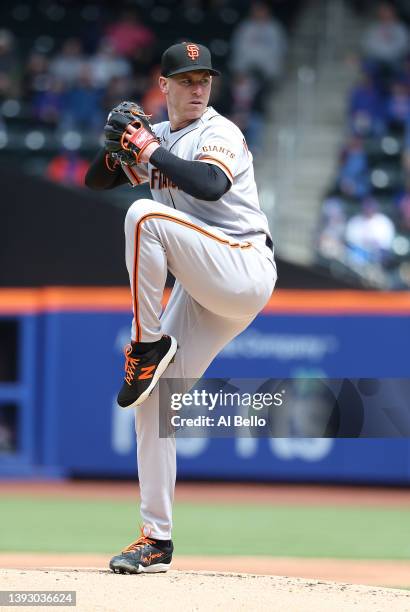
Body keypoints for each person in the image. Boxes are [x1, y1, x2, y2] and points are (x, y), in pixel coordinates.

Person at [85, 41, 276, 574]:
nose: (197, 88)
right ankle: (156, 538)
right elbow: (95, 180)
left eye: (205, 78)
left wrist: (147, 151)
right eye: (186, 79)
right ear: (162, 84)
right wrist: (119, 148)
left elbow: (211, 186)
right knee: (155, 403)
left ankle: (146, 345)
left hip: (242, 268)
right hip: (204, 289)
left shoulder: (220, 132)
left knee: (144, 217)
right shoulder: (163, 137)